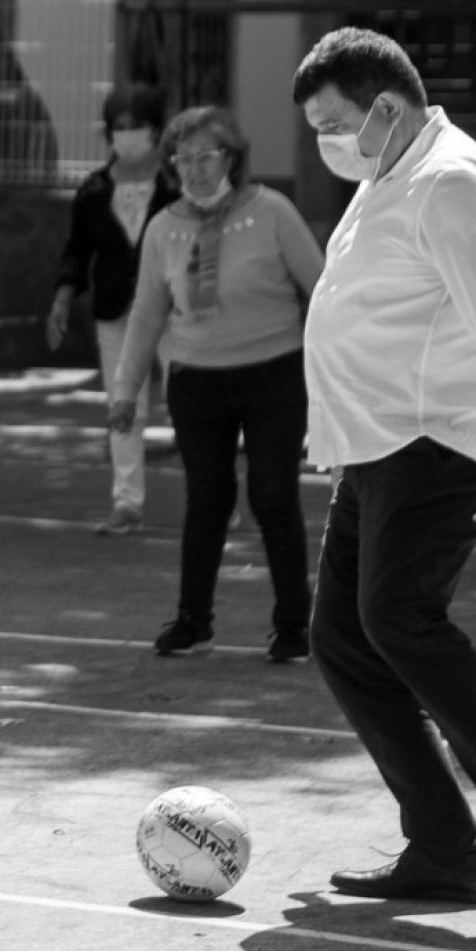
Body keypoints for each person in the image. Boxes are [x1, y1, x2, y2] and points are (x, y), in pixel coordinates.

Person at [293, 28, 476, 901]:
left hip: (435, 445)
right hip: (371, 450)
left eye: (335, 124)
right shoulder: (388, 172)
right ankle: (445, 845)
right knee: (343, 636)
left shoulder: (450, 183)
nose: (326, 142)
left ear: (388, 108)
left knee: (399, 619)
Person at [107, 105, 324, 661]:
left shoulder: (272, 211)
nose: (196, 169)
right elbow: (147, 315)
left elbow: (321, 291)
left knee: (272, 495)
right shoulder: (163, 227)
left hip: (273, 373)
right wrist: (126, 391)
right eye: (184, 159)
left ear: (232, 158)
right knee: (207, 498)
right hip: (196, 382)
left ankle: (296, 627)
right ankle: (193, 621)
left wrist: (333, 375)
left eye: (207, 157)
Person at [48, 82, 178, 535]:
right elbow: (77, 250)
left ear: (156, 130)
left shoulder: (177, 185)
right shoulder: (94, 190)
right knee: (125, 406)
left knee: (191, 405)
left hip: (175, 312)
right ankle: (126, 502)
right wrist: (64, 296)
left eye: (136, 126)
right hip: (115, 311)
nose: (127, 135)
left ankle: (214, 496)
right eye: (118, 128)